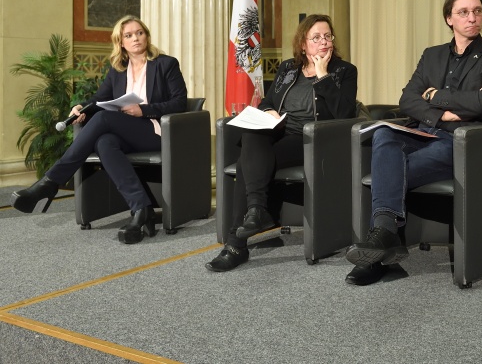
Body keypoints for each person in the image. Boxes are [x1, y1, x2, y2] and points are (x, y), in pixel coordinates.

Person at [344, 0, 482, 286]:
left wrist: (438, 97)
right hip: (422, 132)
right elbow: (408, 99)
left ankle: (382, 241)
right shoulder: (432, 55)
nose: (472, 18)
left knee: (388, 171)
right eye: (463, 12)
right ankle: (386, 240)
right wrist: (444, 112)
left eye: (477, 11)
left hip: (461, 142)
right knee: (384, 133)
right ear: (449, 18)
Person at [11, 15, 188, 244]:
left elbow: (179, 102)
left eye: (139, 33)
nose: (135, 38)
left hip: (156, 130)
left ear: (147, 36)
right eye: (129, 35)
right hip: (127, 131)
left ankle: (50, 182)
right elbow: (99, 99)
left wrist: (143, 110)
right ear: (121, 42)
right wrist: (82, 109)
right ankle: (141, 209)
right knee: (105, 142)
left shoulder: (166, 64)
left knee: (105, 120)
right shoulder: (118, 70)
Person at [206, 14, 358, 272]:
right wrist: (267, 112)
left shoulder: (344, 71)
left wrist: (323, 78)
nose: (324, 42)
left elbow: (344, 114)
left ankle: (236, 243)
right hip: (281, 132)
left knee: (245, 164)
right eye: (316, 37)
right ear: (303, 44)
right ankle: (256, 212)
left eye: (327, 36)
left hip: (313, 140)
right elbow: (268, 101)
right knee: (252, 135)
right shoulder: (288, 68)